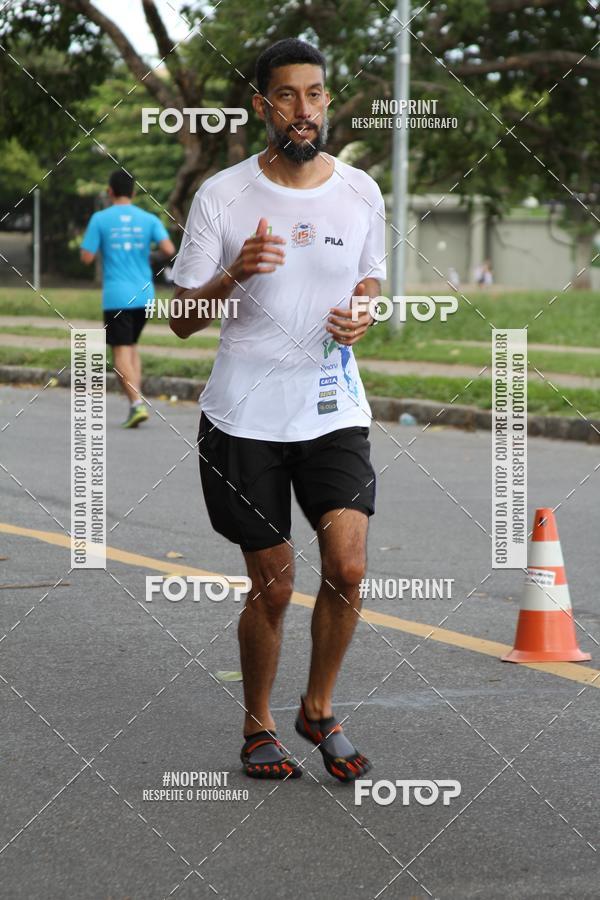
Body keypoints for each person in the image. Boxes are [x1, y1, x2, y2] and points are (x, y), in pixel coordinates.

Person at [171, 38, 386, 782]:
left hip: (333, 408)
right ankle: (258, 723)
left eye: (316, 94)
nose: (304, 109)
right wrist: (234, 272)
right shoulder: (222, 195)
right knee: (274, 586)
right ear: (262, 105)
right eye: (288, 96)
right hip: (244, 419)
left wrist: (364, 315)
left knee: (349, 567)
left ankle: (318, 708)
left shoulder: (360, 191)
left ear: (327, 102)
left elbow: (369, 283)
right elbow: (179, 319)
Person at [81, 171, 176, 428]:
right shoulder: (149, 219)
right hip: (144, 294)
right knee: (131, 346)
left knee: (120, 351)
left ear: (109, 192)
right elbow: (169, 250)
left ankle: (136, 404)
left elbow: (87, 257)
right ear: (133, 193)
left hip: (117, 296)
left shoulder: (100, 219)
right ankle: (137, 401)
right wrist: (145, 253)